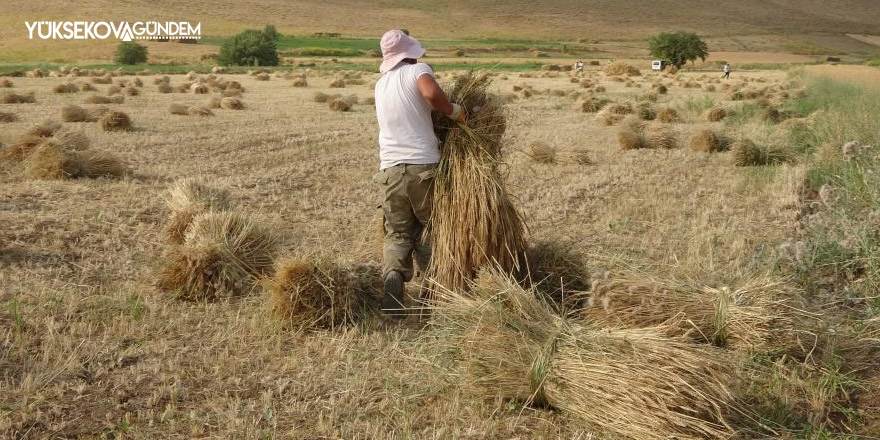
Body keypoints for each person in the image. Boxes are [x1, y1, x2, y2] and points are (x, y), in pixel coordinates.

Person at [373, 29, 466, 314]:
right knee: (431, 228)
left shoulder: (381, 83)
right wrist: (453, 112)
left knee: (398, 232)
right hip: (422, 168)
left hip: (389, 170)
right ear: (410, 54)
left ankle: (393, 276)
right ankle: (432, 289)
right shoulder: (418, 71)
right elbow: (430, 94)